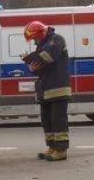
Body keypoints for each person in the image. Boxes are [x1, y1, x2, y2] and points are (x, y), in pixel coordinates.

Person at [23, 21, 71, 161]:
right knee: (47, 121)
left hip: (58, 89)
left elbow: (47, 57)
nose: (34, 41)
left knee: (58, 121)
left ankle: (61, 150)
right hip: (45, 90)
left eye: (35, 38)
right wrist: (32, 68)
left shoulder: (56, 40)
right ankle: (52, 147)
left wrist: (32, 58)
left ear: (41, 33)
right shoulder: (43, 45)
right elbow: (39, 67)